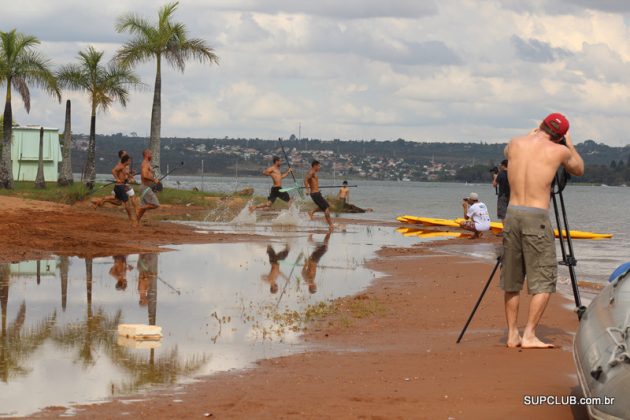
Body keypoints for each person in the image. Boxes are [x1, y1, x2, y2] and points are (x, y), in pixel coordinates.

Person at [501, 112, 584, 349]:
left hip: (512, 213)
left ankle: (511, 335)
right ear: (560, 136)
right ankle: (528, 335)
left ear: (541, 125)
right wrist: (569, 144)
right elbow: (579, 169)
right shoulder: (560, 151)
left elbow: (508, 154)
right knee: (544, 279)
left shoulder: (515, 143)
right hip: (536, 216)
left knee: (512, 279)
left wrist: (532, 135)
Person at [305, 160, 334, 229]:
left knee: (323, 206)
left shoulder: (313, 172)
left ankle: (311, 212)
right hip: (315, 194)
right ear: (315, 165)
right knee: (326, 208)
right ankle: (331, 225)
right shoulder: (311, 172)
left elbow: (312, 183)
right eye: (318, 166)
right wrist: (307, 189)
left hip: (316, 193)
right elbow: (305, 179)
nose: (319, 167)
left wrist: (316, 189)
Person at [137, 149, 161, 223]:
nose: (152, 155)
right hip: (145, 187)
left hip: (145, 187)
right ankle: (138, 208)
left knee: (143, 209)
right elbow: (144, 175)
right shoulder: (145, 164)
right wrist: (154, 180)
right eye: (151, 154)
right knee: (155, 204)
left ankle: (135, 222)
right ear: (147, 154)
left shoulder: (147, 163)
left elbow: (148, 174)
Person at [493, 160, 510, 224]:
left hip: (502, 195)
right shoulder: (512, 173)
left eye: (501, 165)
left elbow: (494, 185)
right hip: (511, 196)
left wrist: (495, 177)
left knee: (502, 214)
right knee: (509, 213)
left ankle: (505, 230)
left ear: (503, 165)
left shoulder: (501, 174)